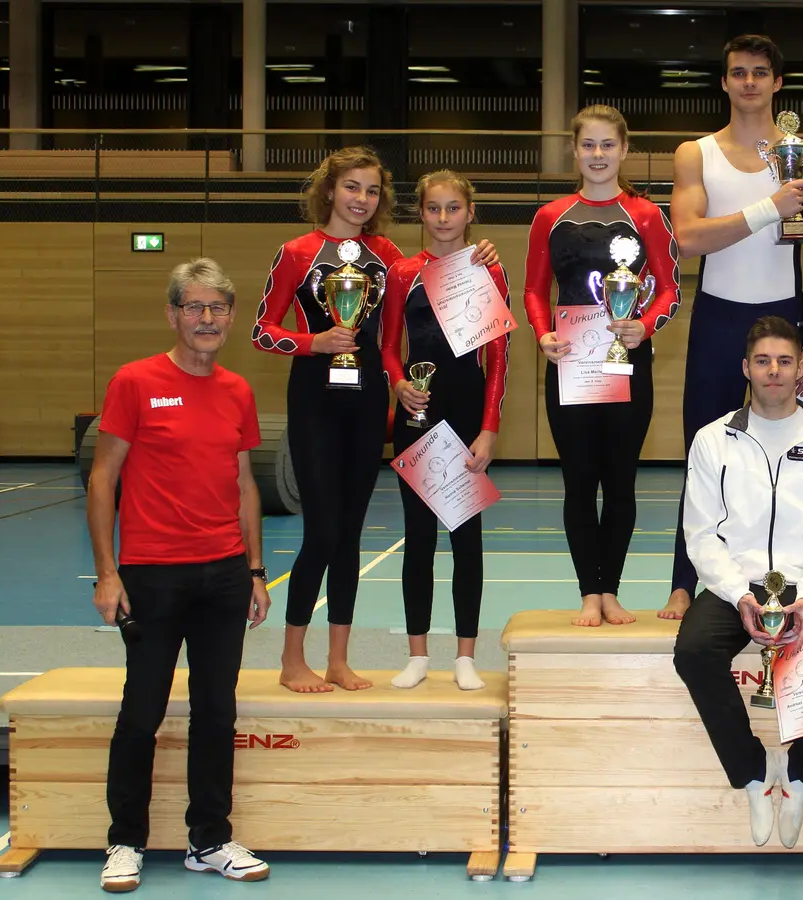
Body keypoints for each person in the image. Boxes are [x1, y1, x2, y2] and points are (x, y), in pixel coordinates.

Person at [252, 146, 497, 693]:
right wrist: (311, 341)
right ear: (329, 190)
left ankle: (338, 659)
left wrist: (479, 256)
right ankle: (293, 659)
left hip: (367, 406)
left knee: (351, 535)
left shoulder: (386, 254)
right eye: (351, 188)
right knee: (321, 532)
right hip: (316, 399)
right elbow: (261, 330)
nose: (361, 200)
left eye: (371, 191)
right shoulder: (297, 251)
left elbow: (432, 277)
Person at [88, 259, 273, 891]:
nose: (206, 319)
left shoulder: (238, 391)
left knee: (216, 712)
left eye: (217, 308)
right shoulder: (135, 382)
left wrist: (254, 570)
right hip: (152, 576)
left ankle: (210, 839)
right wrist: (107, 574)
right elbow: (103, 477)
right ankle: (124, 842)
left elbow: (245, 483)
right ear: (172, 315)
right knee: (143, 710)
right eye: (194, 308)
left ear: (229, 317)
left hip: (223, 574)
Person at [673, 316, 803, 850]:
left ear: (800, 371)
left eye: (784, 361)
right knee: (693, 651)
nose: (773, 371)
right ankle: (751, 773)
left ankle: (799, 776)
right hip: (735, 587)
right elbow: (700, 533)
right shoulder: (711, 439)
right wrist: (739, 594)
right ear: (746, 368)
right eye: (763, 361)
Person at [664, 34, 803, 621]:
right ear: (724, 82)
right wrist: (769, 206)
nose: (748, 82)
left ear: (777, 83)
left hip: (784, 316)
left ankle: (798, 582)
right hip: (717, 315)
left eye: (760, 73)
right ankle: (685, 583)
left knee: (787, 457)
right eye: (738, 72)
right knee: (701, 455)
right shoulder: (697, 153)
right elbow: (687, 238)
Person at [525, 104, 681, 627]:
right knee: (578, 481)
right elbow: (533, 289)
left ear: (624, 150)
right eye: (588, 145)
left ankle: (610, 589)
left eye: (607, 145)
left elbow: (669, 289)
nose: (597, 155)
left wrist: (646, 325)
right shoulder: (551, 216)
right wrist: (542, 333)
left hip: (625, 363)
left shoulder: (646, 215)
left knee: (619, 482)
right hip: (570, 363)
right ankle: (587, 592)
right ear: (574, 150)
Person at [381, 170, 510, 690]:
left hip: (466, 413)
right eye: (433, 208)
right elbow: (390, 345)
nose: (442, 218)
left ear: (469, 212)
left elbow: (499, 357)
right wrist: (397, 385)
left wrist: (489, 429)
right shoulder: (402, 272)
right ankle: (417, 654)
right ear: (422, 213)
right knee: (418, 537)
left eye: (452, 208)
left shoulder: (486, 270)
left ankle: (464, 656)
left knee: (466, 537)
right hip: (417, 414)